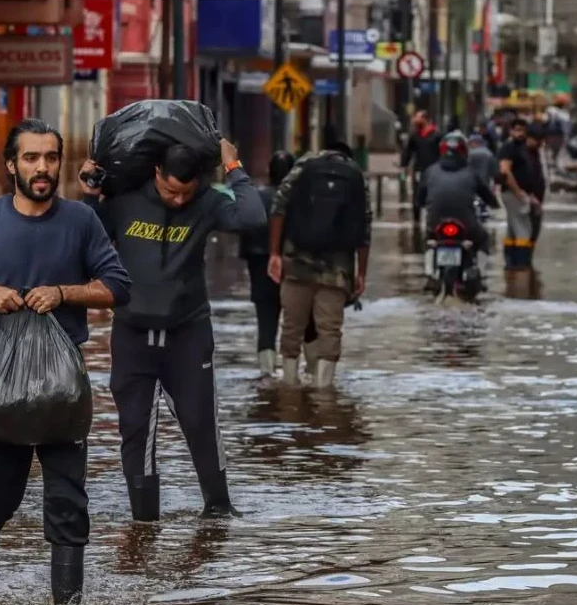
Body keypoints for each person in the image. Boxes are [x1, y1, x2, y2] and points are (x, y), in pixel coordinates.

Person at [0, 118, 133, 605]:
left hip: (61, 387)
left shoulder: (81, 221)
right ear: (11, 165)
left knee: (68, 503)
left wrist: (63, 293)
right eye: (31, 158)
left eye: (51, 158)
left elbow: (117, 286)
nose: (42, 168)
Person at [78, 138, 265, 523]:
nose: (178, 200)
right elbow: (83, 237)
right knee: (136, 428)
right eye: (170, 191)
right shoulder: (125, 201)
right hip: (132, 333)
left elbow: (252, 219)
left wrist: (233, 166)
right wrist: (89, 194)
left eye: (186, 193)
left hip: (188, 334)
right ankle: (144, 523)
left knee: (200, 422)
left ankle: (218, 510)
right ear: (156, 173)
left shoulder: (207, 202)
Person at [267, 141, 371, 388]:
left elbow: (278, 206)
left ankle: (289, 388)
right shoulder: (356, 174)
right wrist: (361, 273)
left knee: (292, 327)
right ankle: (324, 393)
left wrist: (275, 253)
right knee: (330, 330)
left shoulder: (305, 164)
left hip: (297, 262)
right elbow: (365, 226)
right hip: (337, 269)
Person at [419, 132, 501, 288]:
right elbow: (487, 195)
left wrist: (423, 204)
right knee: (483, 239)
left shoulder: (430, 171)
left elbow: (420, 198)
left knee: (429, 239)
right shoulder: (471, 172)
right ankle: (480, 274)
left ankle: (430, 274)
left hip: (435, 222)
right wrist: (494, 204)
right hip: (466, 223)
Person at [239, 151, 296, 375]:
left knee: (266, 322)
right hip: (294, 265)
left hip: (259, 264)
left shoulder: (256, 197)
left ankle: (267, 373)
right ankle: (299, 376)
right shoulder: (299, 198)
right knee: (299, 323)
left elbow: (244, 230)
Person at [497, 119, 534, 269]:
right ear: (511, 131)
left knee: (513, 228)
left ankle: (511, 263)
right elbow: (505, 171)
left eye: (523, 130)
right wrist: (518, 192)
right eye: (517, 130)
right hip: (513, 193)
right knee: (523, 229)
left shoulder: (521, 147)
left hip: (517, 193)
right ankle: (521, 264)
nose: (521, 133)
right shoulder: (509, 147)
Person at [513, 122, 548, 267]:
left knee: (533, 232)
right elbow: (520, 177)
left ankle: (526, 262)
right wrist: (529, 195)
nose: (540, 144)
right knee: (525, 232)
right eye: (538, 141)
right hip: (525, 200)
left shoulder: (535, 153)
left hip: (536, 200)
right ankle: (521, 263)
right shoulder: (522, 154)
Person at [398, 110, 443, 222]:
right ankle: (416, 218)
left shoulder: (436, 135)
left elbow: (442, 152)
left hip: (434, 170)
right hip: (419, 169)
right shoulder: (415, 135)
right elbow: (408, 151)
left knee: (433, 193)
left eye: (418, 117)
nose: (415, 120)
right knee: (417, 193)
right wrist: (404, 165)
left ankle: (432, 217)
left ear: (425, 119)